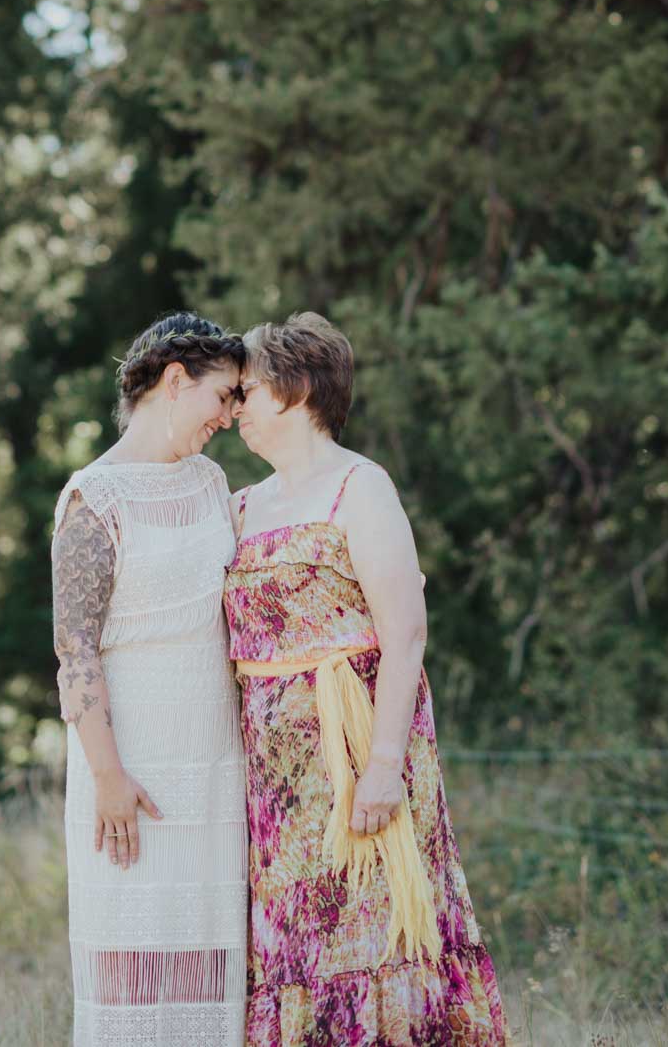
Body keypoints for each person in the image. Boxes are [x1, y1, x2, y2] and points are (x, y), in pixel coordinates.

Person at [224, 311, 511, 1046]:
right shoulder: (243, 506)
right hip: (274, 775)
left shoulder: (360, 486)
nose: (233, 408)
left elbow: (406, 632)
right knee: (292, 945)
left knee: (372, 927)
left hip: (356, 752)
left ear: (293, 391)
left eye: (246, 389)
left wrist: (383, 767)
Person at [52, 312, 248, 1046]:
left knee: (210, 971)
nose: (229, 417)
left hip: (215, 765)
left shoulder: (210, 482)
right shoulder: (93, 499)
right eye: (222, 396)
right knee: (133, 972)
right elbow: (75, 650)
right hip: (127, 770)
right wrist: (108, 776)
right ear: (175, 381)